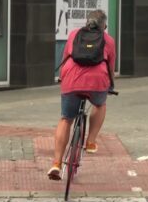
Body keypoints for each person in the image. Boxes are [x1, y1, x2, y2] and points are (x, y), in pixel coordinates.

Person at [48, 10, 116, 180]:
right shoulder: (108, 40)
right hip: (97, 81)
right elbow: (110, 66)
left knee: (65, 118)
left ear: (87, 23)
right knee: (100, 104)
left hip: (71, 79)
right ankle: (91, 141)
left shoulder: (73, 35)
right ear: (104, 26)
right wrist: (110, 85)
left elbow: (65, 58)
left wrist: (62, 78)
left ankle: (56, 163)